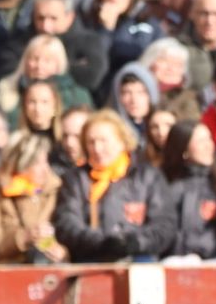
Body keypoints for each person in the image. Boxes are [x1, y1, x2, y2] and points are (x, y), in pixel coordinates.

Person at [53, 107, 174, 261]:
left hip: (139, 257)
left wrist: (135, 242)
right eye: (91, 142)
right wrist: (101, 242)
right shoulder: (75, 179)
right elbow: (67, 223)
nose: (97, 148)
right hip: (92, 258)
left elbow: (164, 224)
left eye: (103, 141)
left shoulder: (147, 176)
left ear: (122, 141)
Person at [0, 130, 67, 262]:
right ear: (21, 164)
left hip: (50, 268)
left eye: (46, 162)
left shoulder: (56, 189)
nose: (45, 169)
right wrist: (24, 237)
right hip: (11, 269)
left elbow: (68, 234)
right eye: (37, 163)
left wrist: (62, 252)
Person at [158, 118, 216, 258]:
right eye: (201, 141)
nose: (208, 145)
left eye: (209, 139)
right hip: (177, 260)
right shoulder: (166, 187)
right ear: (184, 149)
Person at [31, 0, 109, 102]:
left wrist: (59, 68)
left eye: (53, 18)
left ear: (69, 17)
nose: (45, 26)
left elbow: (93, 76)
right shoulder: (23, 40)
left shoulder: (90, 42)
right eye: (40, 18)